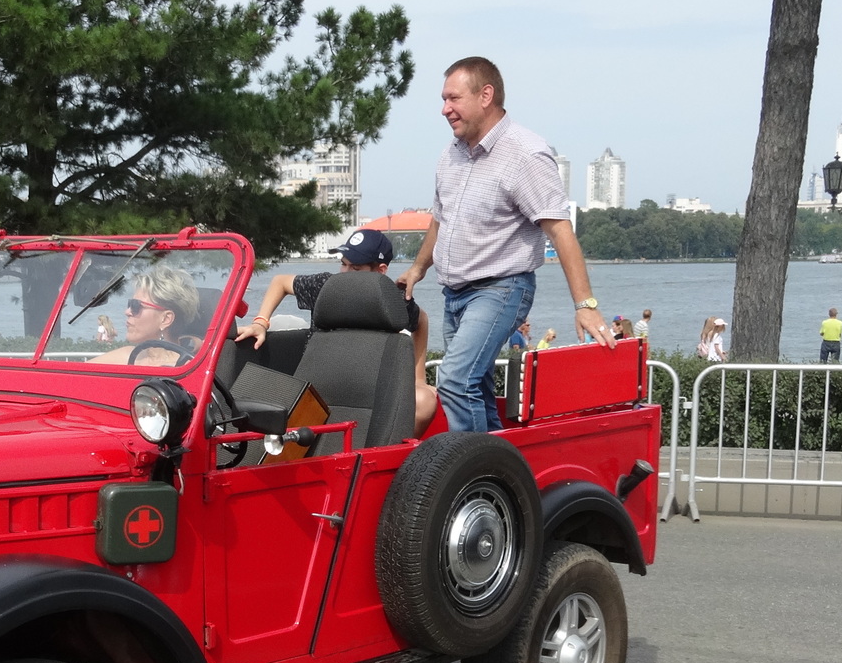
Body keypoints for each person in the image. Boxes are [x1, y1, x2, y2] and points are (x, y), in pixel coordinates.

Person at [396, 56, 613, 433]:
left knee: (454, 380)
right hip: (455, 293)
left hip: (500, 289)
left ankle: (472, 476)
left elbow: (560, 231)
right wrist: (417, 269)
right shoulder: (451, 154)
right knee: (474, 389)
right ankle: (501, 474)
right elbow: (440, 219)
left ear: (486, 95)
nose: (444, 109)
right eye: (443, 99)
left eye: (453, 98)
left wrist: (586, 305)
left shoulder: (525, 153)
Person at [241, 229, 441, 434]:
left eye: (355, 267)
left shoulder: (392, 300)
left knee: (424, 401)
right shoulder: (326, 286)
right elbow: (280, 282)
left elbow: (421, 320)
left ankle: (398, 458)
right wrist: (260, 322)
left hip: (369, 391)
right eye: (343, 264)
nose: (345, 272)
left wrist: (418, 379)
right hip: (317, 387)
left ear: (380, 270)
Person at [91, 264, 201, 367]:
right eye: (130, 304)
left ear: (166, 319)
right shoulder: (126, 356)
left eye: (136, 306)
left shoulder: (187, 369)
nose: (127, 312)